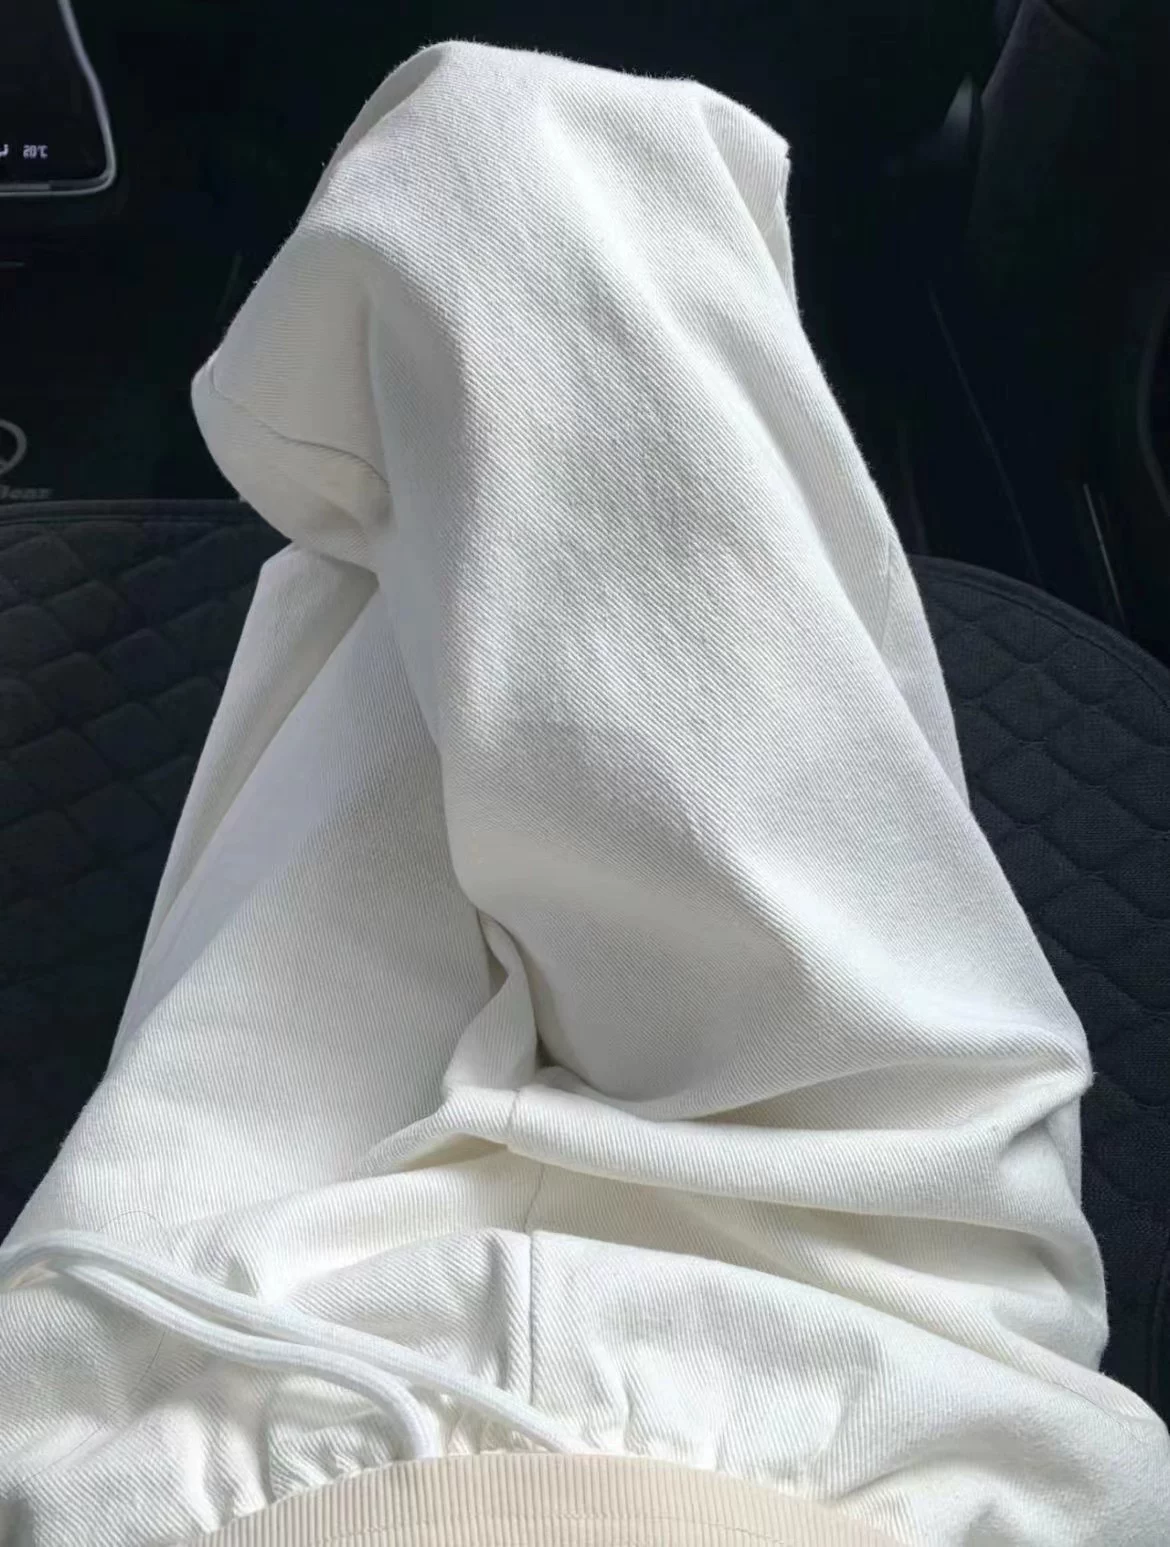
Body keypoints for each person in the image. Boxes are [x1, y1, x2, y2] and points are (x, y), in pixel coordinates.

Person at [2, 41, 1167, 1547]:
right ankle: (381, 459)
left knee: (505, 181)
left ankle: (384, 468)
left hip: (204, 1404)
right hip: (865, 1407)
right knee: (515, 185)